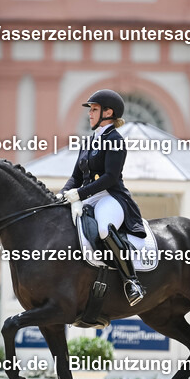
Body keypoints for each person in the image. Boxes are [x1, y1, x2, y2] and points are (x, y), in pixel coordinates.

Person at [58, 89, 147, 306]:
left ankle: (131, 282)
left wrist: (79, 194)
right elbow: (76, 176)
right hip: (87, 197)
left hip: (111, 197)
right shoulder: (88, 142)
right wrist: (63, 194)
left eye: (94, 109)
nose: (89, 114)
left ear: (108, 112)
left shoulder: (115, 140)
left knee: (104, 228)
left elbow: (110, 177)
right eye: (90, 110)